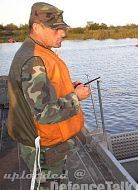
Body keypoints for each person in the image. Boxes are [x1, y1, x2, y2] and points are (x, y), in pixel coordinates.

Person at [7, 2, 90, 189]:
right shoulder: (34, 58)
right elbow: (44, 113)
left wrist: (71, 87)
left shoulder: (38, 52)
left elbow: (44, 89)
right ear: (36, 27)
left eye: (62, 28)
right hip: (46, 147)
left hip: (48, 143)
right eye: (55, 28)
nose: (63, 33)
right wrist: (76, 97)